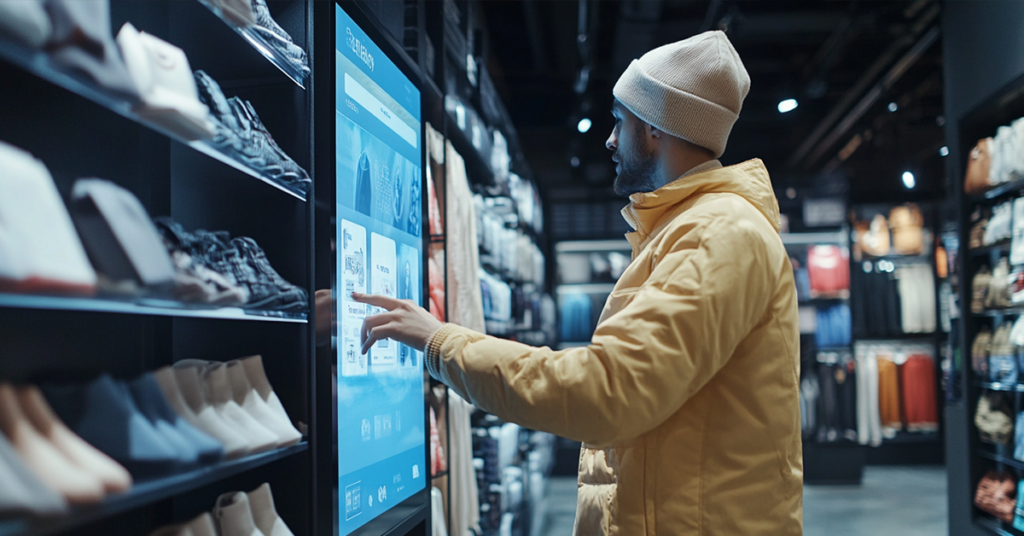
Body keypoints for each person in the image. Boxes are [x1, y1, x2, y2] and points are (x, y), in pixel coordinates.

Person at [353, 30, 802, 535]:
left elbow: (607, 393)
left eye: (620, 120)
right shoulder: (693, 231)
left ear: (655, 127)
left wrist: (442, 342)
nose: (610, 139)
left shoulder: (717, 234)